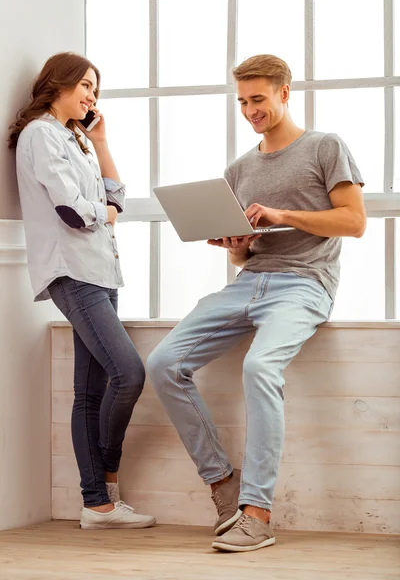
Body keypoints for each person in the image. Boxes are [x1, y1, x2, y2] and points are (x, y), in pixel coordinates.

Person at [146, 54, 366, 552]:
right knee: (163, 363)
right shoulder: (239, 168)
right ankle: (223, 484)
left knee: (260, 366)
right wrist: (237, 245)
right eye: (243, 101)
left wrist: (282, 212)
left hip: (306, 283)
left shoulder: (325, 146)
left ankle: (257, 512)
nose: (250, 111)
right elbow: (242, 262)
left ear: (285, 93)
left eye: (259, 100)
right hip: (251, 282)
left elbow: (354, 222)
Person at [9, 52, 155, 530]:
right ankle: (105, 480)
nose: (93, 95)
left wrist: (102, 141)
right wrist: (107, 211)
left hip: (101, 270)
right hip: (72, 270)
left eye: (97, 89)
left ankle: (97, 504)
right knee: (129, 373)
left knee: (90, 392)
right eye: (87, 85)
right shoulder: (40, 136)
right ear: (59, 83)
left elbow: (118, 192)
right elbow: (74, 211)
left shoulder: (75, 138)